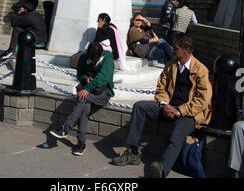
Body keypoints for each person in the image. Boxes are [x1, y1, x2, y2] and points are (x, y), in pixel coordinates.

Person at [112, 35, 212, 178]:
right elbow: (161, 88)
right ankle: (132, 153)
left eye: (176, 49)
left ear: (186, 50)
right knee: (140, 107)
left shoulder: (201, 70)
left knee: (177, 134)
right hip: (169, 106)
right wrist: (164, 104)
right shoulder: (171, 65)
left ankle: (161, 170)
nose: (172, 51)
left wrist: (178, 111)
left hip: (189, 113)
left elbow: (203, 100)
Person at [49, 42, 114, 155]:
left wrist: (88, 88)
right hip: (87, 91)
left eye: (96, 60)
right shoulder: (83, 57)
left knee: (83, 98)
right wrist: (85, 78)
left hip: (102, 93)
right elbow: (80, 75)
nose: (93, 62)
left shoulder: (107, 58)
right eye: (92, 59)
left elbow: (103, 77)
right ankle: (80, 142)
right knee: (84, 107)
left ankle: (66, 128)